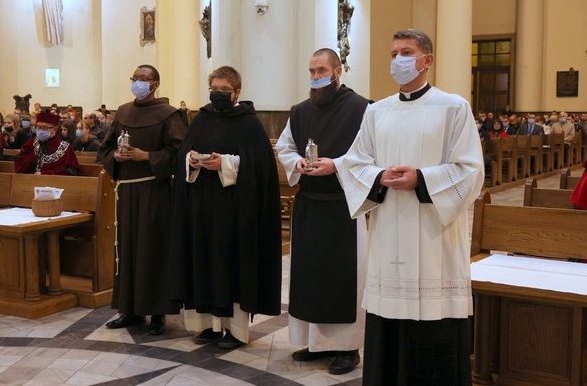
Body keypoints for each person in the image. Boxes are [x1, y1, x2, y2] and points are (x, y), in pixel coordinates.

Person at [337, 29, 484, 386]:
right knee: (388, 321)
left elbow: (471, 170)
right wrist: (379, 175)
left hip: (434, 236)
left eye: (407, 52)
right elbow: (355, 163)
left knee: (434, 330)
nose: (398, 60)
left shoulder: (453, 108)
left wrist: (422, 178)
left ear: (427, 60)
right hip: (389, 231)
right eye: (393, 53)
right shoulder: (377, 112)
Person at [169, 66, 282, 349]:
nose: (218, 95)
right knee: (202, 261)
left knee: (230, 264)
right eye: (214, 89)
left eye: (223, 90)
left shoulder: (249, 123)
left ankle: (233, 330)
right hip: (201, 209)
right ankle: (207, 325)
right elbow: (183, 152)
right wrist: (191, 161)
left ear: (237, 92)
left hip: (234, 211)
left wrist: (227, 163)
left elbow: (261, 166)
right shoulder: (201, 119)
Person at [275, 48, 371, 375]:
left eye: (321, 70)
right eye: (312, 70)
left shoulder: (361, 108)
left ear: (337, 70)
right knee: (310, 276)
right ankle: (315, 343)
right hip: (309, 204)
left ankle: (347, 348)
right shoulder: (300, 111)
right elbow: (284, 146)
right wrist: (297, 163)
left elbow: (369, 153)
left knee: (342, 278)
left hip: (343, 206)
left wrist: (337, 165)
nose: (315, 76)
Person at [97, 64, 186, 335]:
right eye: (135, 78)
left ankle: (158, 313)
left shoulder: (170, 115)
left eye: (143, 79)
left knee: (153, 249)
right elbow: (106, 149)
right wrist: (118, 157)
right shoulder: (123, 112)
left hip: (155, 192)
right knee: (127, 250)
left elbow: (180, 153)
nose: (138, 82)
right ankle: (130, 310)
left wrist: (147, 156)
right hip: (127, 192)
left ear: (156, 84)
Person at [14, 111, 80, 175]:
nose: (40, 131)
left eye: (45, 128)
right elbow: (19, 165)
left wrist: (47, 174)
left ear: (55, 129)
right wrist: (33, 158)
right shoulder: (30, 144)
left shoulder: (65, 147)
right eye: (39, 127)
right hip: (31, 182)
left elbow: (72, 171)